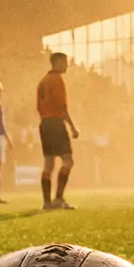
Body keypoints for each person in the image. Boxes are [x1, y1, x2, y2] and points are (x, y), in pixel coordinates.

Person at [35, 52, 80, 210]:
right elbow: (62, 107)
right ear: (58, 62)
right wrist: (72, 126)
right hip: (55, 123)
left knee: (48, 164)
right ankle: (58, 199)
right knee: (68, 161)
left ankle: (47, 202)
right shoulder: (57, 80)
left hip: (44, 124)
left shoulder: (43, 81)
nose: (67, 65)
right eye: (65, 62)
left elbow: (39, 106)